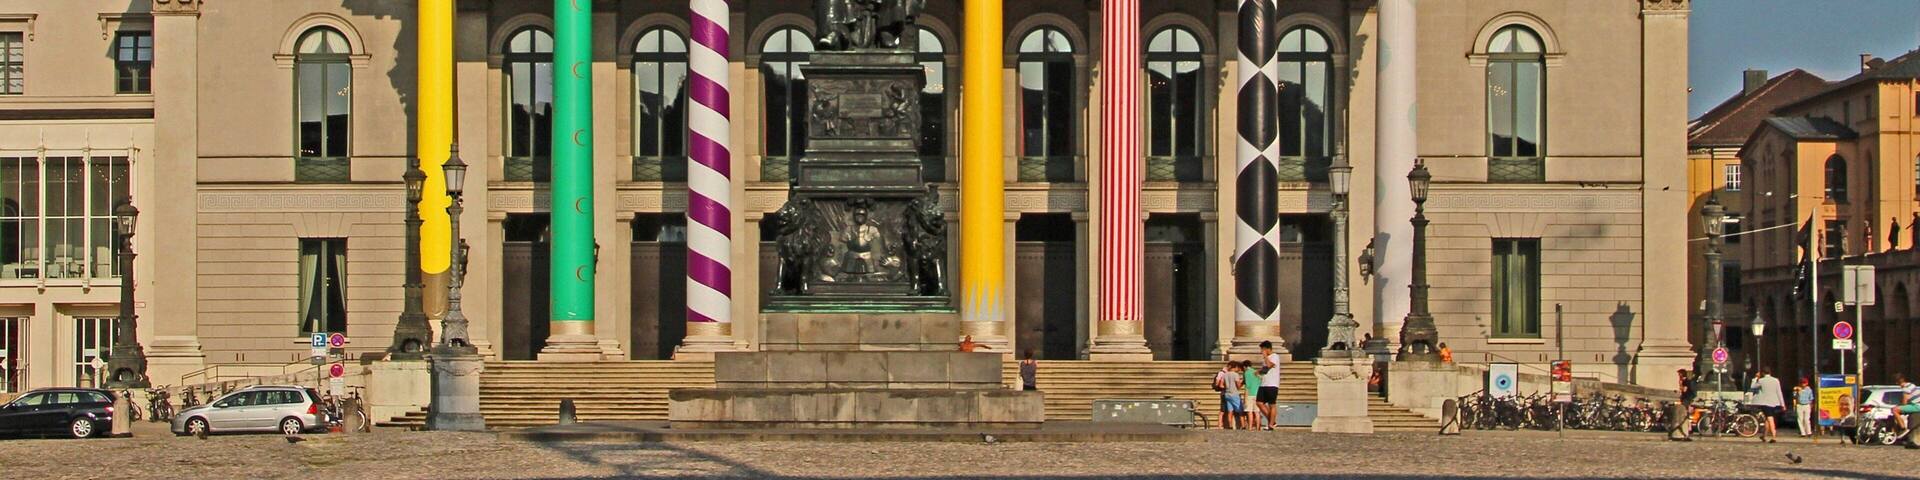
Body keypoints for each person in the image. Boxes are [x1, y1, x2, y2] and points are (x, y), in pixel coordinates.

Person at [1747, 367, 1786, 443]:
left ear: (1763, 373)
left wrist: (1755, 378)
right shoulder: (1776, 380)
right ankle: (1764, 435)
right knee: (1767, 419)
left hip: (1765, 402)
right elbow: (1779, 392)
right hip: (1774, 402)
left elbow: (1752, 387)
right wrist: (1783, 404)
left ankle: (1774, 435)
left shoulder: (1761, 381)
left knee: (1770, 418)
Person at [1257, 340, 1282, 430]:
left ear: (1267, 349)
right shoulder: (1266, 358)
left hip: (1272, 384)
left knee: (1272, 404)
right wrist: (1258, 371)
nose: (1261, 351)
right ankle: (1272, 421)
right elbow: (1265, 369)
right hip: (1264, 383)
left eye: (1262, 349)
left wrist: (1265, 357)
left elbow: (1270, 365)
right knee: (1259, 402)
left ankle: (1271, 424)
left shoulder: (1275, 356)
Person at [1214, 360, 1244, 430]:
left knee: (1230, 411)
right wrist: (1240, 384)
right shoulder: (1235, 375)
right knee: (1240, 410)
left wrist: (1227, 387)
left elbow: (1221, 385)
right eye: (1238, 368)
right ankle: (1243, 425)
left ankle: (1230, 425)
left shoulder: (1225, 374)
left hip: (1227, 394)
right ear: (1235, 367)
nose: (1238, 369)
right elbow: (1238, 385)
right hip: (1234, 394)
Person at [1240, 360, 1263, 428]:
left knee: (1249, 411)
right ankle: (1258, 427)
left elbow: (1247, 386)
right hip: (1258, 393)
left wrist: (1245, 398)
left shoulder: (1246, 373)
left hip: (1250, 394)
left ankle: (1250, 427)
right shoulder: (1256, 372)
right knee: (1257, 412)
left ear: (1244, 367)